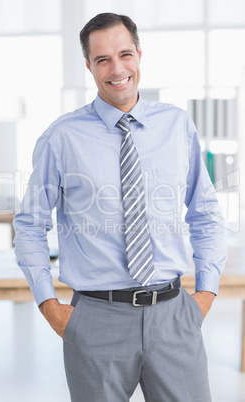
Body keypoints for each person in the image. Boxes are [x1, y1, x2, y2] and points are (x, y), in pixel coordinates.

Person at [13, 12, 227, 402]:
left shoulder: (177, 126)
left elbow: (205, 212)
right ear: (89, 66)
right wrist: (49, 305)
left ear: (139, 54)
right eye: (102, 59)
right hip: (96, 320)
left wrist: (206, 294)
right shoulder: (61, 138)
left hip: (173, 314)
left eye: (125, 54)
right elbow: (29, 224)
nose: (117, 68)